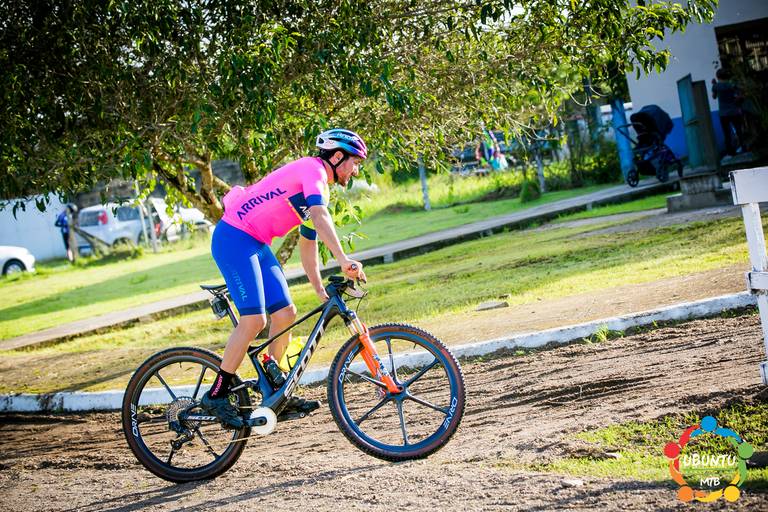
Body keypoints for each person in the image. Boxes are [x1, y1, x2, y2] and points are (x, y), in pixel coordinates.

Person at [201, 128, 368, 428]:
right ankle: (217, 394)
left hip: (255, 242)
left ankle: (274, 386)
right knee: (255, 320)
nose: (355, 170)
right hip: (234, 238)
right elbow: (320, 217)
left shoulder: (318, 186)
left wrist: (318, 287)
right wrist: (343, 260)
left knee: (286, 313)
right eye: (354, 162)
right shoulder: (313, 171)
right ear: (337, 156)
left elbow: (308, 242)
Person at [711, 68, 746, 156]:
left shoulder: (716, 86)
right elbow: (740, 93)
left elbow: (714, 97)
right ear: (727, 76)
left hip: (723, 114)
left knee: (727, 133)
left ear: (717, 77)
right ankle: (743, 148)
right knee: (739, 130)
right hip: (734, 111)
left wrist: (714, 84)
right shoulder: (732, 85)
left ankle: (731, 152)